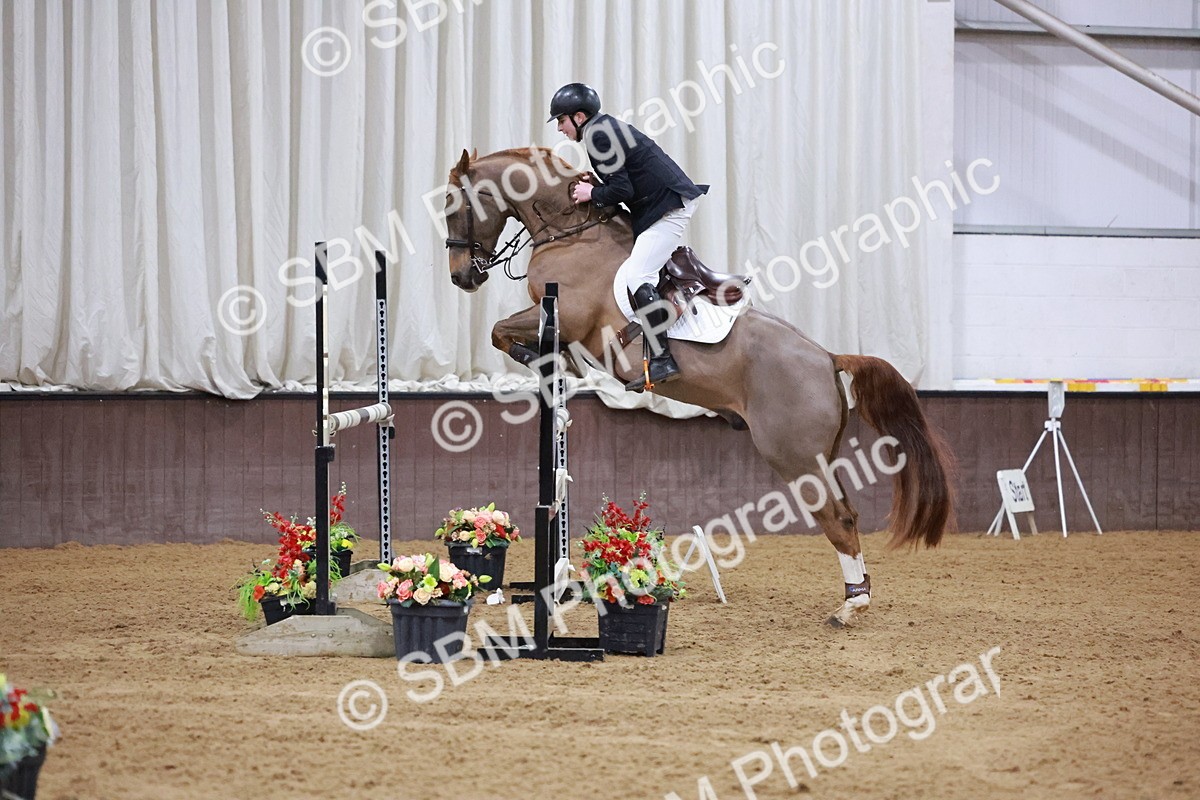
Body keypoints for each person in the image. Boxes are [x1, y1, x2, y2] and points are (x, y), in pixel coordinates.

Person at [547, 82, 708, 391]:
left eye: (561, 120)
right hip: (661, 203)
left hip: (669, 206)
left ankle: (663, 359)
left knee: (638, 275)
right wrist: (598, 184)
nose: (559, 128)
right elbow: (622, 179)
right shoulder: (601, 129)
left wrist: (592, 192)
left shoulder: (598, 135)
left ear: (579, 117)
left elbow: (623, 190)